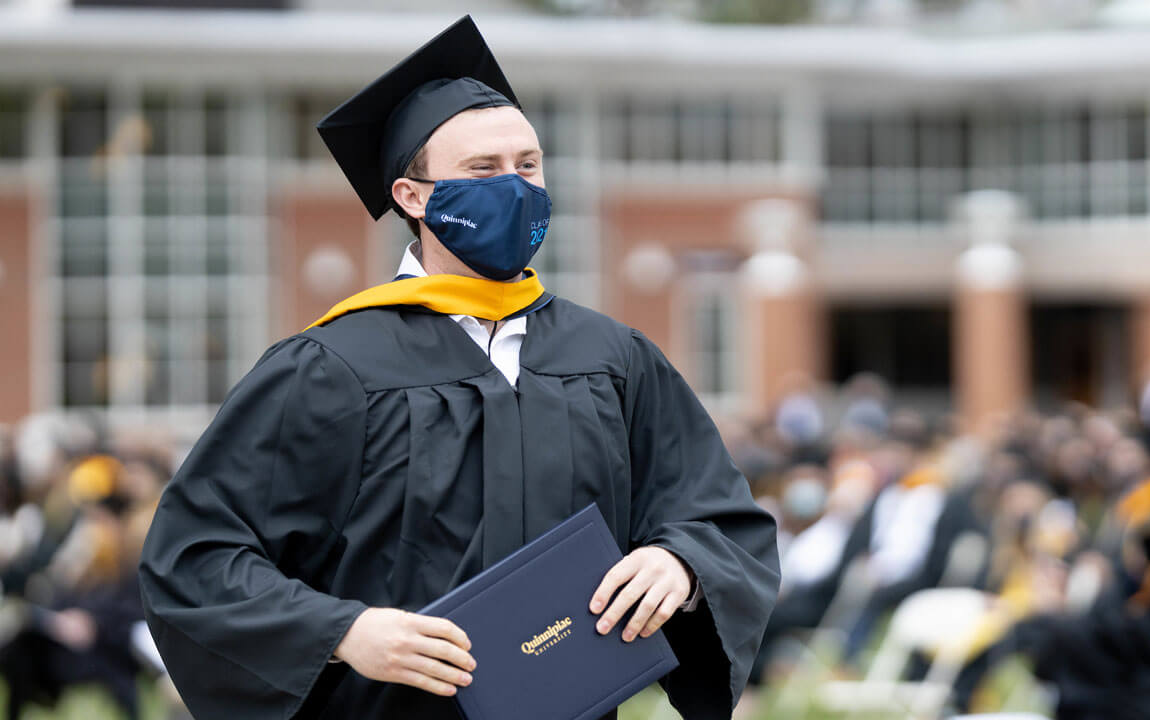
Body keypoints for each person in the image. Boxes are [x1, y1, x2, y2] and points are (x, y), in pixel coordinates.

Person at [138, 15, 779, 720]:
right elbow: (197, 554)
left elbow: (715, 515)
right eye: (483, 170)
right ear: (412, 196)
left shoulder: (612, 359)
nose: (515, 186)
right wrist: (341, 632)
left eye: (527, 165)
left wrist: (681, 565)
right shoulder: (330, 367)